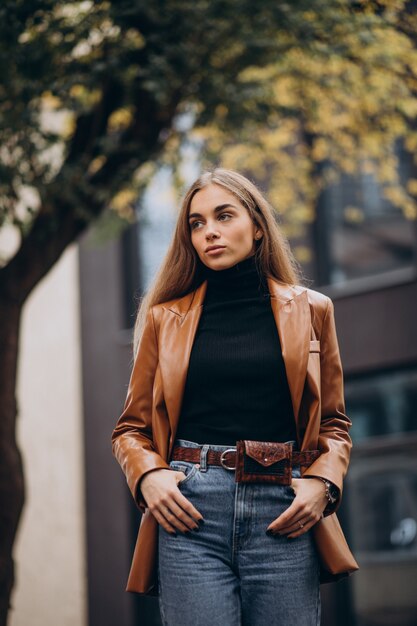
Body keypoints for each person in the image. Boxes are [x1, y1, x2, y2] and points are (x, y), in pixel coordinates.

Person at [112, 168, 358, 626]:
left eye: (224, 216)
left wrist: (321, 484)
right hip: (191, 509)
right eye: (197, 223)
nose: (210, 232)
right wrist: (150, 478)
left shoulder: (313, 310)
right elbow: (131, 429)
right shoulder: (165, 320)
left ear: (258, 226)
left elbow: (334, 423)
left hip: (284, 508)